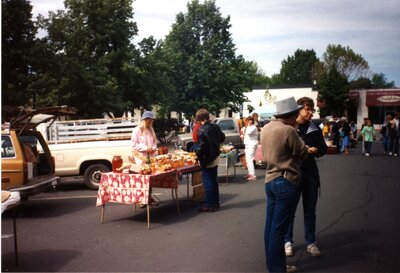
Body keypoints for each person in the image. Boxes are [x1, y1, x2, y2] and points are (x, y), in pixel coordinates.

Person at [261, 97, 317, 273]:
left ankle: (273, 265)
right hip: (286, 180)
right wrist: (308, 149)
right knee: (279, 229)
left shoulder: (266, 128)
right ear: (292, 115)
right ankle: (277, 269)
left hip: (270, 179)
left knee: (270, 227)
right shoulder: (288, 131)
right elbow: (301, 153)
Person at [284, 97, 327, 259]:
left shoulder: (314, 128)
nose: (310, 113)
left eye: (312, 110)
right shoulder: (289, 127)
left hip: (310, 174)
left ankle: (311, 242)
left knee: (310, 210)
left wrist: (316, 150)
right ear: (299, 110)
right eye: (307, 110)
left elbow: (323, 148)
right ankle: (287, 241)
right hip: (293, 173)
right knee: (289, 210)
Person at [195, 108, 225, 212]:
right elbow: (222, 138)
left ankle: (209, 205)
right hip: (215, 156)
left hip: (207, 159)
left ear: (200, 118)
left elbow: (201, 147)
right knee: (214, 181)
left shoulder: (202, 130)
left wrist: (196, 155)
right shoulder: (215, 126)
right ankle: (215, 203)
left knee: (208, 182)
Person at [243, 116, 259, 181]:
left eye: (247, 120)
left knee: (250, 159)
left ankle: (253, 175)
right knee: (247, 159)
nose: (246, 122)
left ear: (251, 121)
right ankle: (250, 173)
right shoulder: (249, 127)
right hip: (248, 144)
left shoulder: (253, 127)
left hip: (252, 144)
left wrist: (248, 125)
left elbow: (248, 133)